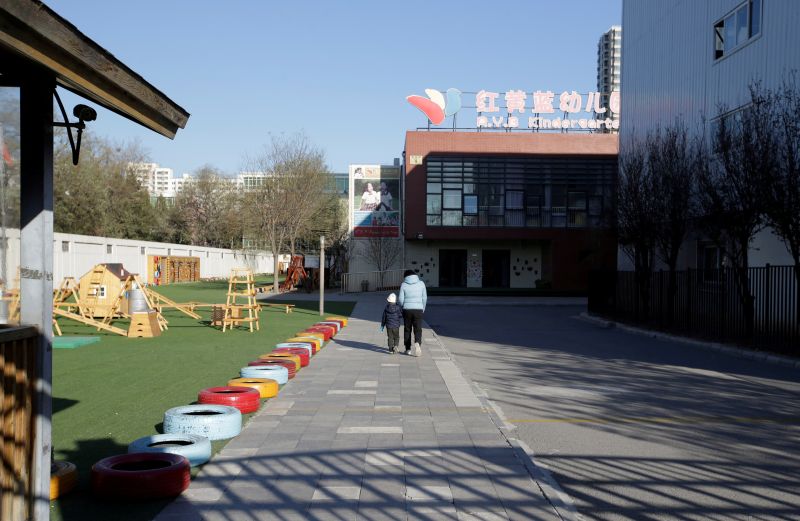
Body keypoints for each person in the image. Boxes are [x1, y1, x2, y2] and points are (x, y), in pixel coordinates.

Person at [398, 269, 427, 356]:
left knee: (407, 329)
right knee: (418, 329)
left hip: (407, 309)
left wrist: (403, 307)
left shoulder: (403, 284)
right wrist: (423, 308)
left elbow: (400, 299)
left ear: (405, 276)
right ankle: (417, 343)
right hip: (418, 309)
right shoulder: (421, 283)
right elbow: (424, 298)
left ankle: (408, 349)